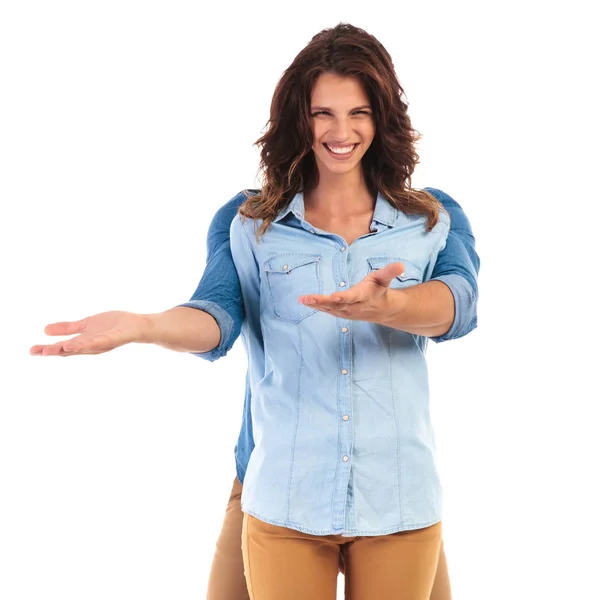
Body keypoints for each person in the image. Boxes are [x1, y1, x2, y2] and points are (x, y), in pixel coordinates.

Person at [30, 23, 480, 600]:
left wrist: (388, 307)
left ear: (383, 116)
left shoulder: (432, 217)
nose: (341, 132)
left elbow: (459, 306)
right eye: (323, 114)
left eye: (359, 112)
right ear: (300, 118)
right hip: (286, 496)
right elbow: (217, 318)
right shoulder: (251, 224)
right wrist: (143, 327)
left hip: (398, 497)